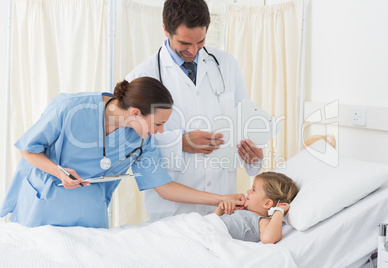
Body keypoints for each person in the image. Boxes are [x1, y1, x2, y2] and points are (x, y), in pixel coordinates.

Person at [0, 77, 245, 228]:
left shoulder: (141, 139)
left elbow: (164, 187)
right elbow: (27, 149)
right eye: (158, 124)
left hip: (89, 214)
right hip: (44, 206)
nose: (160, 132)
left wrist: (220, 198)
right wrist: (59, 171)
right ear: (136, 113)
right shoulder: (70, 109)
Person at [125, 0, 263, 220]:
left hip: (222, 200)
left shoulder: (226, 65)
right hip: (172, 209)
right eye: (184, 43)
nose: (193, 50)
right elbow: (130, 141)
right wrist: (180, 143)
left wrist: (253, 156)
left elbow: (244, 122)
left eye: (200, 41)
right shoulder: (142, 75)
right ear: (165, 29)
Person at [214, 171, 298, 244]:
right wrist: (220, 210)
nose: (248, 191)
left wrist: (279, 211)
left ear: (267, 203)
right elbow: (212, 221)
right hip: (206, 227)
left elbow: (268, 239)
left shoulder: (262, 221)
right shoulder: (242, 210)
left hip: (211, 235)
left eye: (253, 190)